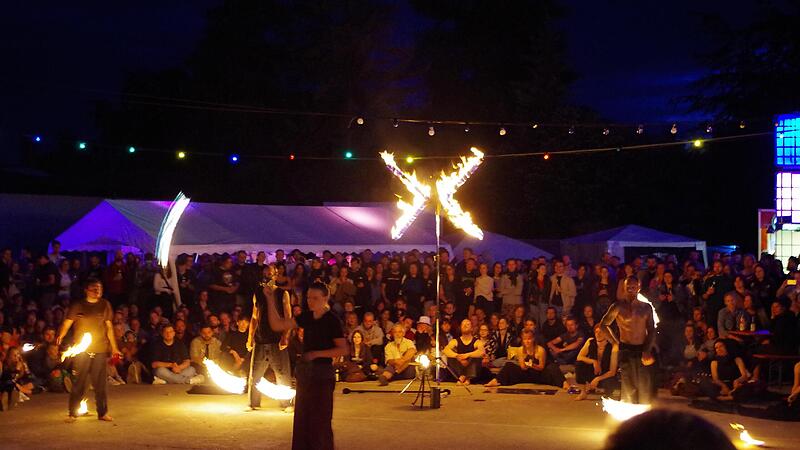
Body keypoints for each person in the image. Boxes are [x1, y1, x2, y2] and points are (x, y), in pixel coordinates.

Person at [263, 282, 347, 450]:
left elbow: (343, 348)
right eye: (308, 298)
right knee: (302, 419)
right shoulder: (306, 317)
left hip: (322, 375)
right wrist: (270, 299)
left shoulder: (332, 321)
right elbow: (278, 325)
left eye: (315, 298)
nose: (311, 301)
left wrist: (317, 354)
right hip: (306, 374)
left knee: (320, 420)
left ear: (325, 298)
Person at [57, 278, 121, 421]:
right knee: (79, 382)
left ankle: (102, 412)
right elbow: (68, 323)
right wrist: (60, 335)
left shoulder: (105, 305)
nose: (97, 290)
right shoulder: (78, 305)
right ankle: (73, 413)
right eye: (93, 288)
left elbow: (109, 328)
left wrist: (114, 348)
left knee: (100, 384)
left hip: (100, 348)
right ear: (86, 290)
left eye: (99, 288)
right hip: (82, 350)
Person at [600, 277, 656, 404]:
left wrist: (647, 349)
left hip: (641, 348)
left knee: (644, 384)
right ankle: (629, 416)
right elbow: (603, 325)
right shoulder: (618, 306)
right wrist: (614, 341)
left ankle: (643, 414)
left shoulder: (646, 307)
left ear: (638, 288)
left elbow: (651, 330)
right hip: (625, 348)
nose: (631, 290)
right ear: (624, 288)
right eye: (628, 287)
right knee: (628, 384)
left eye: (633, 287)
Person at [247, 272, 294, 412]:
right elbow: (254, 317)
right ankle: (253, 403)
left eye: (271, 275)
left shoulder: (282, 294)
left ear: (275, 277)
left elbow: (288, 316)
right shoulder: (258, 293)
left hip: (276, 338)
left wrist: (285, 336)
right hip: (261, 338)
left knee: (282, 373)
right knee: (255, 373)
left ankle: (286, 403)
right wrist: (250, 338)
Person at [484, 330, 566, 388]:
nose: (527, 341)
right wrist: (527, 365)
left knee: (552, 367)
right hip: (526, 373)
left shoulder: (540, 350)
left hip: (539, 374)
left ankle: (564, 383)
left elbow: (541, 367)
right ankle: (495, 381)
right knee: (509, 365)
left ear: (533, 339)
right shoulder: (520, 349)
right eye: (525, 339)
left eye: (529, 339)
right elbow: (522, 367)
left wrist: (533, 365)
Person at [574, 324, 619, 400]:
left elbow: (612, 371)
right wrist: (594, 362)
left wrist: (598, 379)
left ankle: (608, 393)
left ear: (607, 334)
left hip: (606, 374)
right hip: (595, 371)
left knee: (609, 382)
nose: (598, 334)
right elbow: (579, 357)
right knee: (579, 364)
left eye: (601, 332)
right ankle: (583, 393)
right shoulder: (590, 341)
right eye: (596, 332)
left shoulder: (614, 346)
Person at [442, 319, 485, 385]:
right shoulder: (455, 341)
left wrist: (467, 355)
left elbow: (482, 352)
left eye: (467, 324)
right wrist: (457, 356)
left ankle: (467, 378)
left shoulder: (477, 341)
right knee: (450, 355)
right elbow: (446, 350)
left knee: (475, 356)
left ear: (471, 328)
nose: (465, 326)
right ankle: (462, 376)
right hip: (459, 366)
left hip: (472, 366)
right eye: (463, 324)